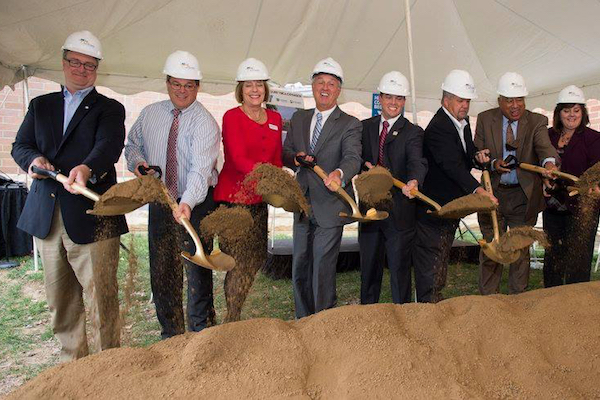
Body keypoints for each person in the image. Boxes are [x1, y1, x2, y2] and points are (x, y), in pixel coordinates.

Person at [11, 31, 128, 362]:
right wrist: (32, 161)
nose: (82, 69)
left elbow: (108, 146)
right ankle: (72, 364)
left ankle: (109, 364)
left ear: (97, 69)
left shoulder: (109, 108)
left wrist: (87, 168)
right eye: (75, 62)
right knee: (60, 299)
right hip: (47, 216)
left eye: (89, 65)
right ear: (64, 64)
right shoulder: (41, 106)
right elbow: (20, 145)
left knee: (101, 297)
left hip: (92, 214)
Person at [124, 50, 221, 338]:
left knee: (196, 266)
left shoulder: (205, 123)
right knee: (163, 268)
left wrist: (187, 203)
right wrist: (138, 164)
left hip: (197, 201)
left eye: (189, 85)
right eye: (176, 84)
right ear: (166, 83)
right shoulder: (150, 114)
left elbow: (200, 171)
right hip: (161, 201)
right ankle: (170, 333)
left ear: (198, 87)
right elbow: (132, 146)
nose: (182, 91)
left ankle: (201, 331)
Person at [282, 57, 362, 318]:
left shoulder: (350, 123)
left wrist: (339, 174)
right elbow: (286, 152)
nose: (324, 88)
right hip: (302, 204)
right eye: (319, 83)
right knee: (300, 268)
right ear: (312, 86)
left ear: (339, 90)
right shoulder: (299, 118)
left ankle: (323, 324)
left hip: (330, 206)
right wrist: (294, 158)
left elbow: (352, 158)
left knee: (323, 270)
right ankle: (303, 322)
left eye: (330, 84)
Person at [412, 70, 496, 303]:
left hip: (450, 206)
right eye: (460, 100)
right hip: (433, 207)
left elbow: (464, 156)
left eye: (468, 101)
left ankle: (434, 302)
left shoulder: (463, 122)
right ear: (445, 100)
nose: (465, 106)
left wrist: (476, 157)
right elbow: (451, 166)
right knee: (432, 259)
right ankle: (427, 305)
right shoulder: (438, 127)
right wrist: (477, 190)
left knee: (441, 256)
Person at [474, 72, 558, 295]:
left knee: (520, 250)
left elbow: (544, 148)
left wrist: (549, 164)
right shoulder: (484, 119)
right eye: (509, 100)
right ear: (500, 100)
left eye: (519, 99)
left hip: (523, 196)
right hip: (493, 194)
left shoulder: (537, 121)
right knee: (492, 248)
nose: (515, 106)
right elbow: (477, 152)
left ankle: (518, 303)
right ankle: (488, 301)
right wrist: (492, 163)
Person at [213, 58, 282, 322]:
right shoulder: (232, 117)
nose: (255, 90)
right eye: (249, 85)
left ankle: (236, 308)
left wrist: (277, 183)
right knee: (237, 259)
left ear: (265, 88)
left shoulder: (275, 118)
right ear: (240, 89)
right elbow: (237, 158)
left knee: (254, 257)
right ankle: (232, 316)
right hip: (234, 200)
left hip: (259, 200)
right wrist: (269, 179)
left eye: (259, 85)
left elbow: (275, 158)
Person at [359, 71, 427, 304]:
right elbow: (355, 157)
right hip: (370, 211)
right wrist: (363, 167)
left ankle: (403, 318)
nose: (394, 103)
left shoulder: (413, 131)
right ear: (380, 98)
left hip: (399, 212)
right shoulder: (364, 127)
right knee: (369, 270)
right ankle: (368, 316)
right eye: (389, 97)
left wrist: (414, 180)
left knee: (399, 271)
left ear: (404, 101)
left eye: (399, 98)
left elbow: (417, 161)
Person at [542, 85, 600, 287]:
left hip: (582, 208)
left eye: (576, 110)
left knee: (579, 259)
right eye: (567, 110)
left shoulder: (593, 138)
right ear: (559, 113)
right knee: (553, 257)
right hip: (553, 206)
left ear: (583, 112)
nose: (571, 115)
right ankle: (551, 299)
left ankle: (577, 303)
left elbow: (597, 171)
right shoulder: (548, 136)